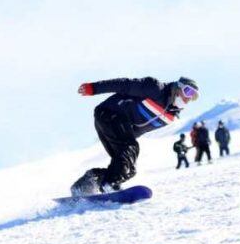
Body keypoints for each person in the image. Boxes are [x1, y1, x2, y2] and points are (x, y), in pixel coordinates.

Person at [71, 76, 199, 195]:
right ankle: (109, 184)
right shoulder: (155, 88)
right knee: (129, 150)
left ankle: (86, 184)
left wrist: (127, 144)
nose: (189, 98)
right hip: (110, 113)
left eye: (193, 97)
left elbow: (140, 130)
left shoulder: (170, 116)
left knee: (127, 168)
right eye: (188, 91)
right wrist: (94, 88)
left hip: (116, 126)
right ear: (178, 87)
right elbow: (123, 85)